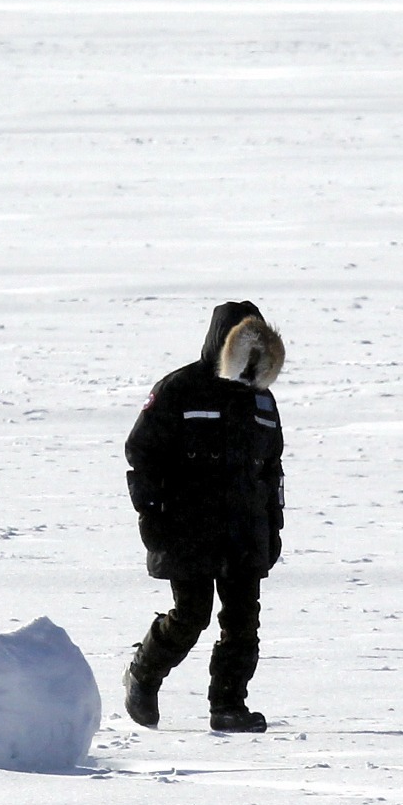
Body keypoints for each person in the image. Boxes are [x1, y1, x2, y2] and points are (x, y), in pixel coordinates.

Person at [121, 301, 286, 733]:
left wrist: (274, 525)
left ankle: (229, 706)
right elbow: (141, 453)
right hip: (187, 530)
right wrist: (151, 514)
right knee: (191, 615)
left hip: (244, 532)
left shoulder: (263, 402)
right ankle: (143, 673)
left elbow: (271, 470)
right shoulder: (179, 389)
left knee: (242, 623)